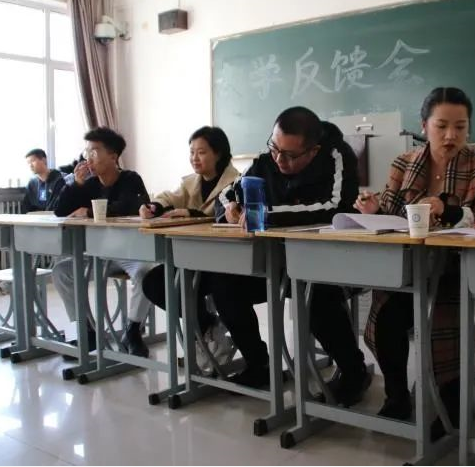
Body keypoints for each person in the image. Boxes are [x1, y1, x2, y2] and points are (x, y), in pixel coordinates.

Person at [355, 87, 475, 438]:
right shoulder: (403, 164)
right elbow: (391, 215)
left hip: (459, 276)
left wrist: (450, 211)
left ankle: (450, 405)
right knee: (386, 318)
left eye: (460, 127)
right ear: (424, 126)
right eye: (441, 126)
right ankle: (396, 396)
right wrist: (373, 209)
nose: (451, 135)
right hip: (410, 272)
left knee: (443, 325)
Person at [211, 106, 371, 406]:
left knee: (313, 293)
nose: (278, 160)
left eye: (289, 155)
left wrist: (267, 214)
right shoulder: (268, 159)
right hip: (276, 264)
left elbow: (334, 208)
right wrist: (230, 208)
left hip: (327, 263)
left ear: (313, 150)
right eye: (274, 148)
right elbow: (225, 194)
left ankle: (353, 371)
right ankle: (259, 363)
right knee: (224, 283)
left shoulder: (337, 156)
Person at [140, 126, 240, 370]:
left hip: (224, 259)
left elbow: (225, 215)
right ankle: (208, 326)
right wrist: (154, 206)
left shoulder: (236, 181)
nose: (195, 158)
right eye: (192, 152)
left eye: (201, 152)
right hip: (193, 257)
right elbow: (169, 197)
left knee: (198, 286)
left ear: (218, 153)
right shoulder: (191, 182)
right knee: (154, 282)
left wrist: (192, 213)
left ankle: (208, 337)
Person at [52, 127, 153, 358]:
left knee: (146, 272)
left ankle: (133, 330)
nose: (89, 158)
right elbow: (60, 211)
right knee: (62, 271)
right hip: (98, 252)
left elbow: (129, 206)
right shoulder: (88, 184)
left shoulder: (130, 179)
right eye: (87, 152)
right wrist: (76, 185)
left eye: (95, 152)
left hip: (131, 252)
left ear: (113, 156)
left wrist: (89, 211)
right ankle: (87, 331)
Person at [21, 148, 64, 213]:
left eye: (32, 161)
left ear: (43, 160)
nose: (30, 165)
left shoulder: (58, 180)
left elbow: (57, 206)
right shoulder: (32, 183)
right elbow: (26, 207)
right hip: (35, 217)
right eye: (28, 163)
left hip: (52, 217)